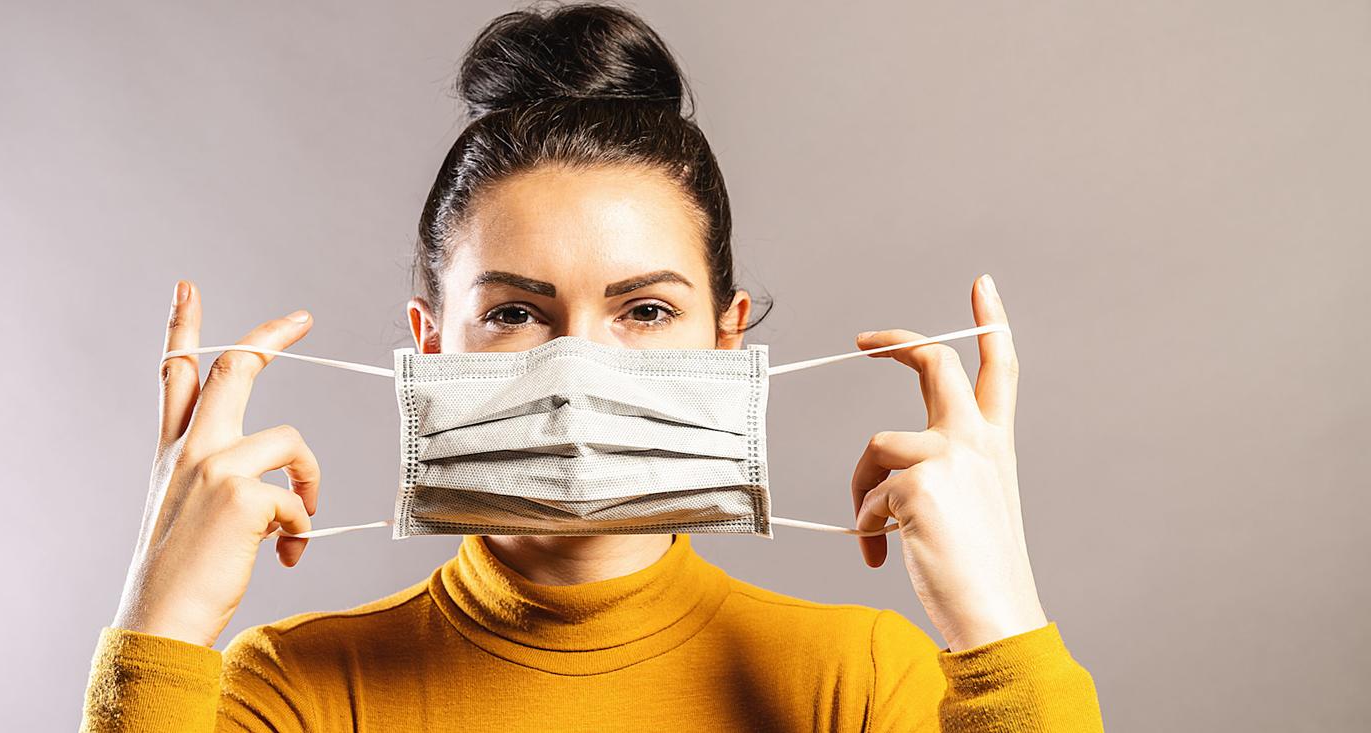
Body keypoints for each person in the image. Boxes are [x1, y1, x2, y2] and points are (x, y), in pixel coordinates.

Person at [81, 4, 1104, 730]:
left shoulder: (860, 682)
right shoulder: (295, 690)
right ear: (431, 345)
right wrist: (157, 625)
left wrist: (1004, 625)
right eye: (518, 311)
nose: (577, 368)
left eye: (645, 309)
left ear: (726, 341)